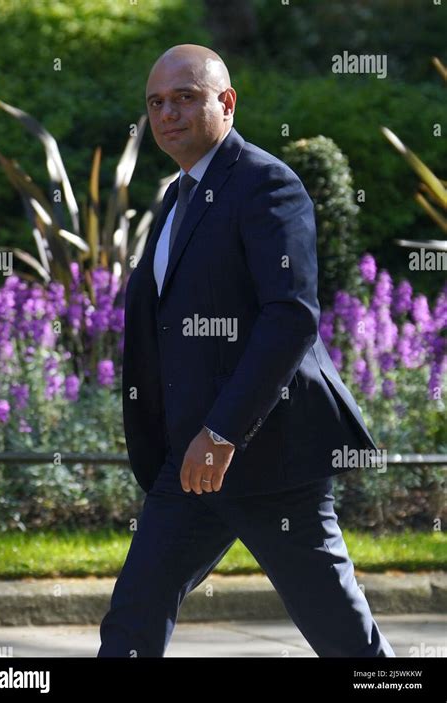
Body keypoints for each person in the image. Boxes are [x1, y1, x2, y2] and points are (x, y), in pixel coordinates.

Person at [97, 44, 395, 658]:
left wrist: (224, 432)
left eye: (185, 97)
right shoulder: (176, 198)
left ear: (226, 103)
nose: (167, 113)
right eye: (156, 102)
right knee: (132, 619)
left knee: (343, 635)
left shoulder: (266, 184)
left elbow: (290, 318)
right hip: (188, 466)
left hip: (268, 457)